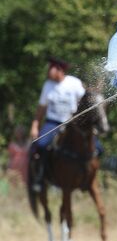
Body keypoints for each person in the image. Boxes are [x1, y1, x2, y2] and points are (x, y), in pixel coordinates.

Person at [29, 57, 86, 192]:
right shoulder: (48, 85)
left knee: (96, 147)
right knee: (40, 145)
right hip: (53, 123)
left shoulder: (74, 83)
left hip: (72, 124)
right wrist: (35, 125)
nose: (49, 71)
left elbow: (85, 102)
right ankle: (40, 177)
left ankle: (86, 178)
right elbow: (41, 108)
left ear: (59, 70)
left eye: (51, 68)